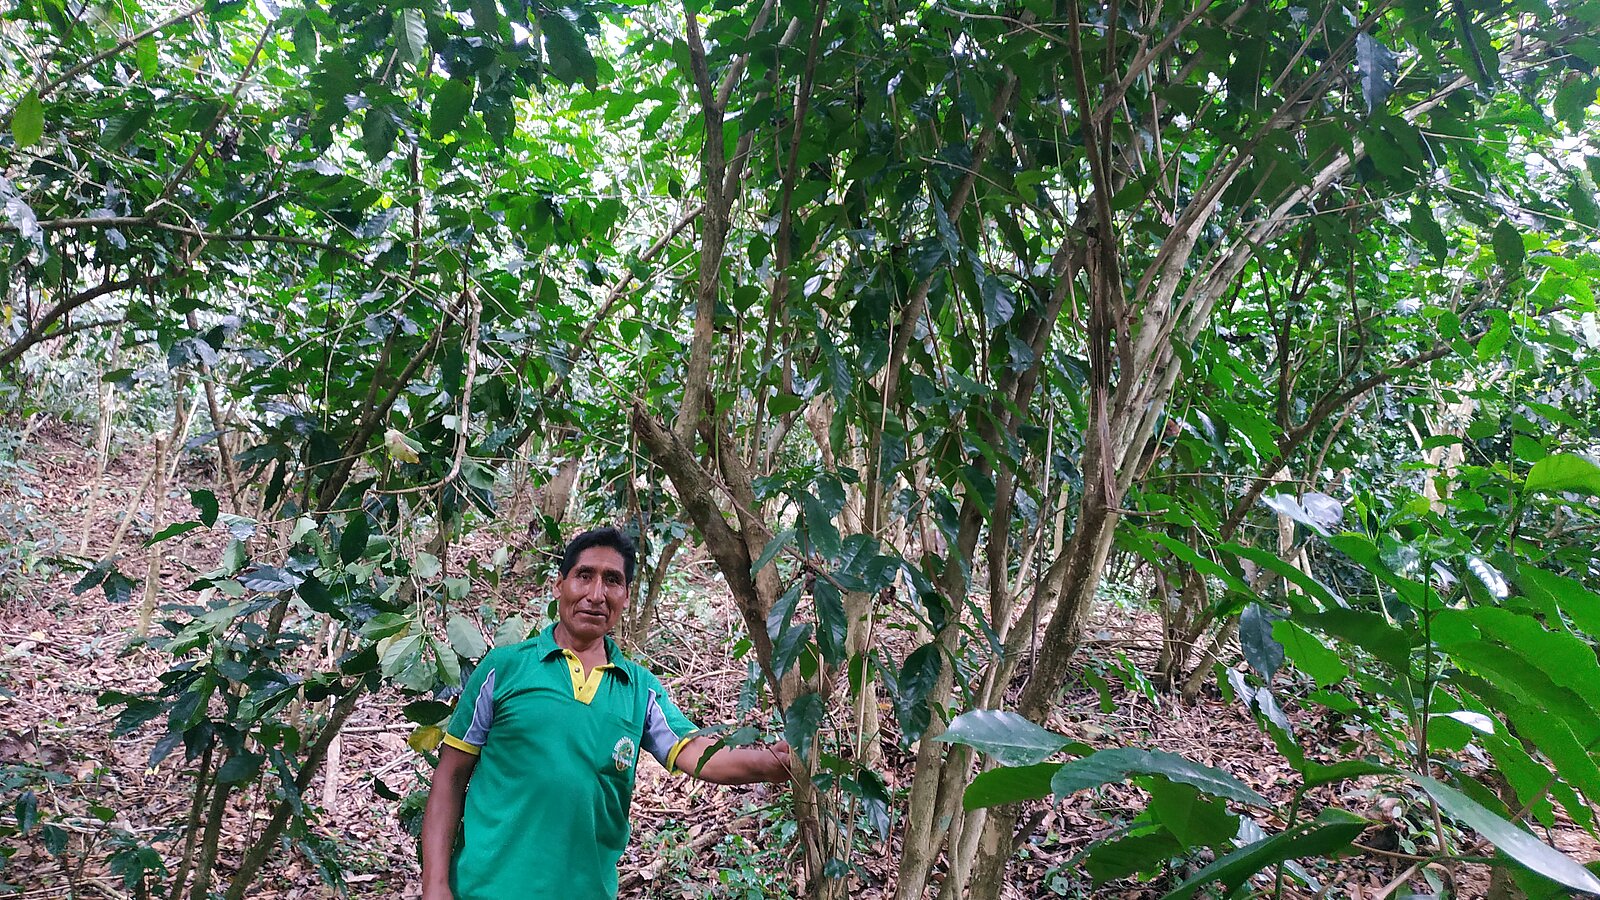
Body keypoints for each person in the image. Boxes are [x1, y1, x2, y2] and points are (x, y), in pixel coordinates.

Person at [419, 526, 792, 900]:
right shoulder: (504, 669)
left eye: (612, 580)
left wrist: (769, 762)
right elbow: (450, 777)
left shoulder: (639, 690)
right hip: (485, 890)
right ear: (559, 585)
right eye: (584, 576)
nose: (596, 595)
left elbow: (696, 753)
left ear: (626, 596)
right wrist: (435, 885)